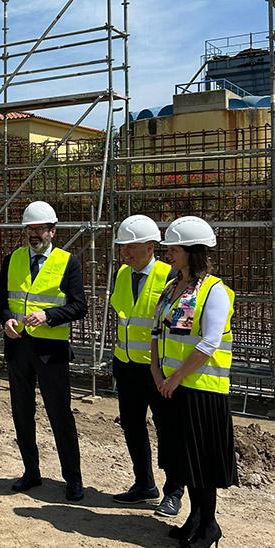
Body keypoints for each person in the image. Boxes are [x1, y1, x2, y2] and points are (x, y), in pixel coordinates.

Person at [0, 201, 88, 501]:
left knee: (60, 415)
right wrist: (6, 317)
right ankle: (31, 472)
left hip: (51, 351)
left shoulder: (67, 262)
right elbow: (0, 299)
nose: (34, 234)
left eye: (39, 229)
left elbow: (79, 306)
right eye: (29, 229)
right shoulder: (13, 259)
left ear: (52, 231)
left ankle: (72, 478)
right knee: (22, 413)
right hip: (18, 347)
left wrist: (49, 315)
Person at [152, 216, 236, 548]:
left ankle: (209, 525)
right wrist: (158, 374)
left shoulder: (215, 291)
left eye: (174, 249)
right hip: (171, 386)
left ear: (193, 252)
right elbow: (158, 332)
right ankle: (195, 518)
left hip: (201, 391)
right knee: (182, 459)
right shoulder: (172, 287)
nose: (169, 254)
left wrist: (174, 377)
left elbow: (208, 344)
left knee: (201, 463)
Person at [110, 215, 185, 516]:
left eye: (131, 246)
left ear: (151, 246)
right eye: (122, 246)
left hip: (158, 370)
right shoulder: (121, 274)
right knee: (132, 426)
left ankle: (174, 491)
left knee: (167, 430)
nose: (125, 252)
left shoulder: (170, 277)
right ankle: (144, 484)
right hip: (126, 365)